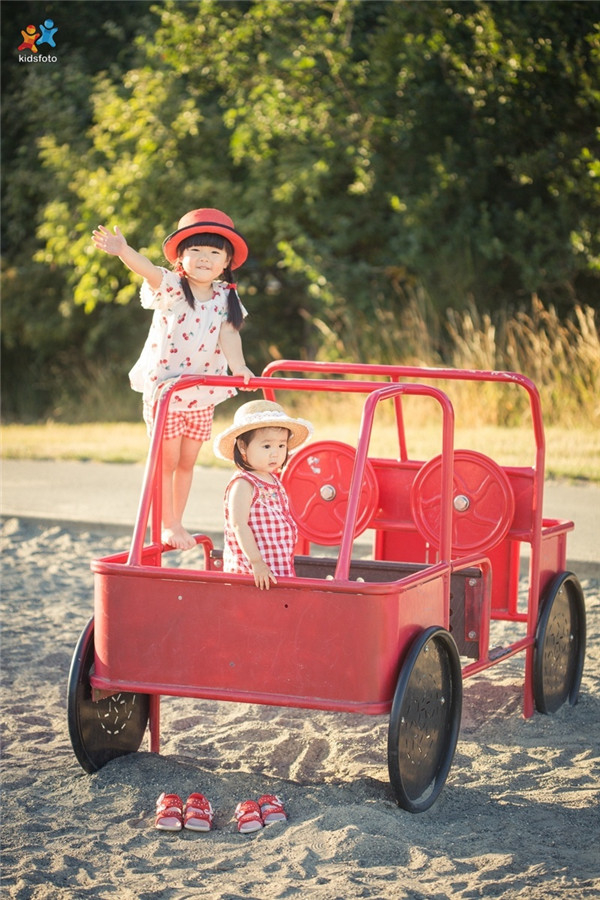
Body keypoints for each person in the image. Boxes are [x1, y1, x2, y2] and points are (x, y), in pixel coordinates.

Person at [92, 208, 254, 550]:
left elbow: (229, 336)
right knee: (166, 461)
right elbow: (148, 270)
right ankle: (169, 524)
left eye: (214, 252)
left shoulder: (226, 297)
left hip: (202, 392)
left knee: (187, 462)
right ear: (181, 257)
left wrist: (239, 367)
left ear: (226, 262)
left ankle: (177, 519)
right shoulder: (173, 287)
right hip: (167, 391)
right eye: (195, 250)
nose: (204, 259)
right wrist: (123, 250)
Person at [213, 400, 313, 589]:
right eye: (267, 447)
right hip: (251, 573)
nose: (275, 453)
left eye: (281, 446)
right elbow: (239, 525)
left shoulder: (273, 480)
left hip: (277, 566)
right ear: (243, 447)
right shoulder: (243, 484)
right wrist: (256, 562)